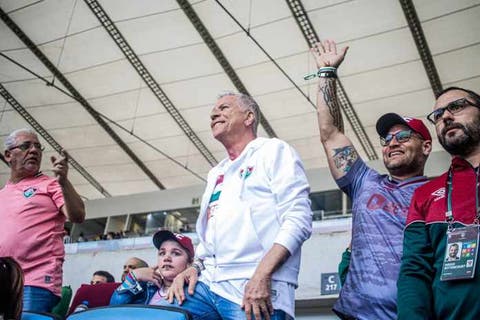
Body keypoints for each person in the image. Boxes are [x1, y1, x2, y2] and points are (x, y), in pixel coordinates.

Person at [310, 40, 432, 319]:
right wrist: (327, 72)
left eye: (403, 136)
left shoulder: (437, 193)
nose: (392, 143)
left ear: (426, 146)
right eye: (386, 139)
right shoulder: (365, 182)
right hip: (355, 314)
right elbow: (330, 134)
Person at [168, 92, 313, 320]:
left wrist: (261, 275)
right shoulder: (217, 172)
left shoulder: (273, 150)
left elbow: (299, 219)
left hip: (254, 285)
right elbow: (209, 241)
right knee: (159, 310)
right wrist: (193, 268)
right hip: (209, 286)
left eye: (224, 108)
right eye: (213, 111)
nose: (214, 114)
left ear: (249, 117)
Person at [398, 87, 480, 319]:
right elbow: (414, 271)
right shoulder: (425, 194)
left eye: (457, 106)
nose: (445, 116)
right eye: (438, 115)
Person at [0, 128, 85, 312]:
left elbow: (78, 215)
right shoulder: (2, 195)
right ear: (8, 155)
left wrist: (63, 181)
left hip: (36, 280)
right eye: (25, 146)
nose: (34, 150)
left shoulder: (51, 184)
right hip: (4, 282)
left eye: (38, 147)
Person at [110, 230, 194, 305]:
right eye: (162, 253)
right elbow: (114, 307)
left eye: (176, 253)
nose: (166, 258)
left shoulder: (197, 291)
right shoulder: (146, 287)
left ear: (189, 262)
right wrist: (133, 276)